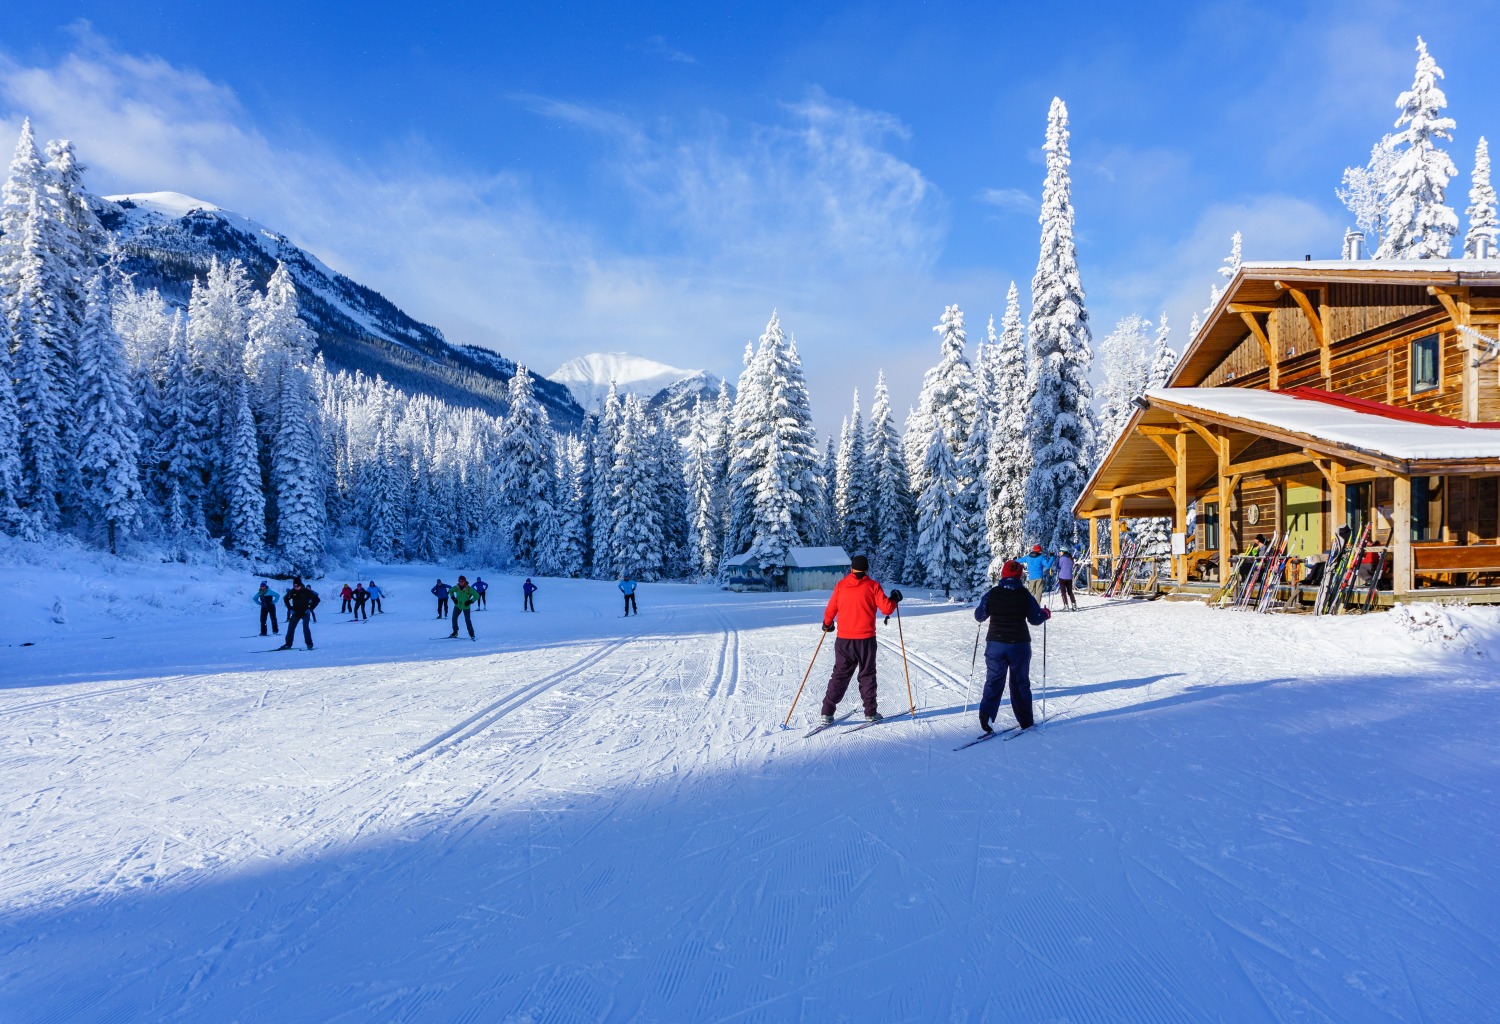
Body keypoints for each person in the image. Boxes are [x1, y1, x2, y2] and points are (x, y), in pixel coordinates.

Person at [818, 555, 902, 725]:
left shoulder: (841, 585)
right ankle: (870, 713)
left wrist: (827, 623)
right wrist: (894, 598)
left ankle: (827, 712)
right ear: (866, 570)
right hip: (866, 640)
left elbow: (831, 607)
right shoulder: (873, 586)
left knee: (839, 676)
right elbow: (887, 608)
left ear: (851, 569)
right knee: (867, 675)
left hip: (844, 640)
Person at [974, 559, 1051, 733]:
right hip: (1019, 645)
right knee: (1019, 682)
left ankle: (986, 719)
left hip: (995, 645)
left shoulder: (993, 593)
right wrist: (1045, 613)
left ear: (1003, 574)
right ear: (1020, 576)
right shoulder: (1024, 594)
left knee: (994, 680)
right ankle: (1026, 721)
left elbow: (979, 616)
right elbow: (1035, 619)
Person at [279, 577, 320, 650]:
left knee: (305, 628)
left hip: (305, 613)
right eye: (294, 586)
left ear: (300, 585)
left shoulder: (307, 591)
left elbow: (317, 600)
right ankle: (288, 644)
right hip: (296, 613)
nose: (295, 587)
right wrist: (290, 608)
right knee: (291, 628)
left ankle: (309, 644)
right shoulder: (292, 591)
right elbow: (285, 599)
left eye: (297, 586)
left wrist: (310, 609)